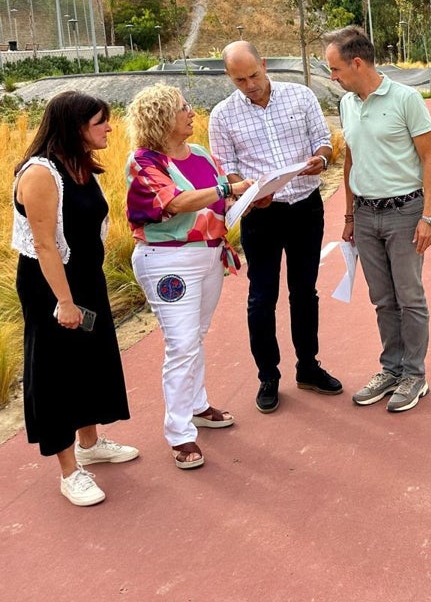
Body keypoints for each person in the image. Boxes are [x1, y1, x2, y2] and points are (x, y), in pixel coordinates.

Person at [12, 91, 137, 506]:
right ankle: (69, 470)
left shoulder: (81, 165)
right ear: (76, 126)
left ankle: (90, 443)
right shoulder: (41, 174)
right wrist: (64, 302)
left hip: (86, 278)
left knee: (90, 359)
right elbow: (46, 246)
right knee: (56, 371)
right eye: (101, 122)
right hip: (51, 285)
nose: (109, 128)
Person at [209, 40, 341, 414]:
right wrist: (249, 190)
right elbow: (227, 166)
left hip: (305, 207)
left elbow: (323, 141)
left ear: (264, 64)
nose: (249, 84)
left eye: (253, 75)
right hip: (261, 214)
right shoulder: (222, 116)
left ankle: (308, 367)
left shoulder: (300, 96)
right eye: (239, 80)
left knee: (304, 291)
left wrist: (321, 159)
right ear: (228, 77)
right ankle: (268, 375)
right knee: (261, 298)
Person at [125, 84, 252, 470]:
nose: (191, 112)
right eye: (183, 108)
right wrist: (226, 187)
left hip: (209, 255)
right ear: (163, 117)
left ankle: (196, 406)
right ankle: (179, 433)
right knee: (181, 344)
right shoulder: (144, 162)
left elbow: (219, 200)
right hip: (168, 261)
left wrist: (248, 196)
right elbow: (174, 203)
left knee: (194, 337)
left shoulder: (197, 154)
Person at [324, 25, 431, 413]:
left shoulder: (406, 99)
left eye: (336, 69)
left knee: (410, 298)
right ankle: (391, 369)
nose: (333, 77)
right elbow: (351, 159)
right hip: (365, 213)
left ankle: (414, 375)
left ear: (357, 63)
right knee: (382, 299)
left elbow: (430, 159)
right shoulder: (347, 105)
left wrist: (429, 217)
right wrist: (348, 215)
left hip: (405, 212)